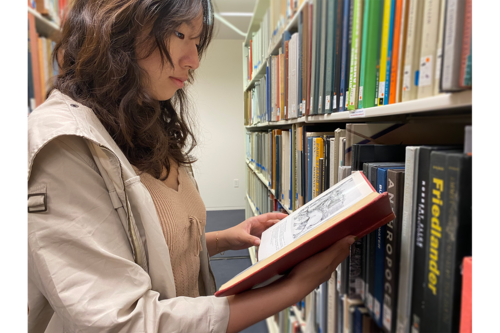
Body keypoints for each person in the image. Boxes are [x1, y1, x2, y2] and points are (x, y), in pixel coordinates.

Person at [26, 0, 355, 332]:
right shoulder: (62, 144)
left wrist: (223, 239)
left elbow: (147, 250)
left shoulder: (146, 120)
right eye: (180, 34)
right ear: (116, 29)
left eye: (197, 43)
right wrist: (290, 290)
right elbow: (122, 323)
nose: (194, 60)